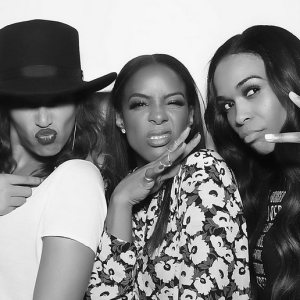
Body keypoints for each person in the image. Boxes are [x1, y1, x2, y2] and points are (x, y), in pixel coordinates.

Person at [85, 54, 250, 299]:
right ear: (120, 118)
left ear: (192, 115)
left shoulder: (203, 170)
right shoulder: (123, 191)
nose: (159, 116)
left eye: (173, 102)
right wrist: (120, 200)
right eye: (140, 104)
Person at [0, 19, 117, 300]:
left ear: (77, 103)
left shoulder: (76, 179)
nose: (43, 120)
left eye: (57, 100)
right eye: (27, 102)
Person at [205, 25, 300, 300]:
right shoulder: (258, 181)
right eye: (227, 105)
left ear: (291, 80)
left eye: (251, 90)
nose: (238, 117)